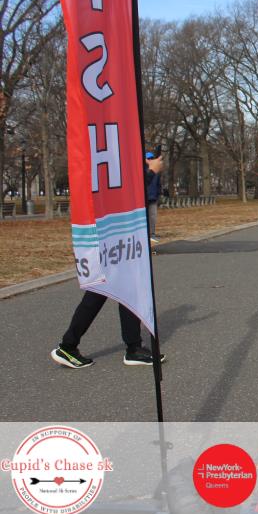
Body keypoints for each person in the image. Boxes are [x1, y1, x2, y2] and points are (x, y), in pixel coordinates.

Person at [51, 153, 167, 369]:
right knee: (105, 289)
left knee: (121, 288)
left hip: (109, 228)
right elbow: (124, 190)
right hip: (112, 230)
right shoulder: (110, 153)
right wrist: (152, 171)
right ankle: (70, 345)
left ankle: (131, 347)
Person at [144, 152, 163, 243]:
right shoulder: (142, 170)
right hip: (143, 199)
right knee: (144, 217)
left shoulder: (156, 171)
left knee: (153, 216)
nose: (150, 160)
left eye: (152, 158)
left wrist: (159, 195)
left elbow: (158, 184)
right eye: (148, 158)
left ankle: (152, 234)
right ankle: (145, 234)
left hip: (153, 197)